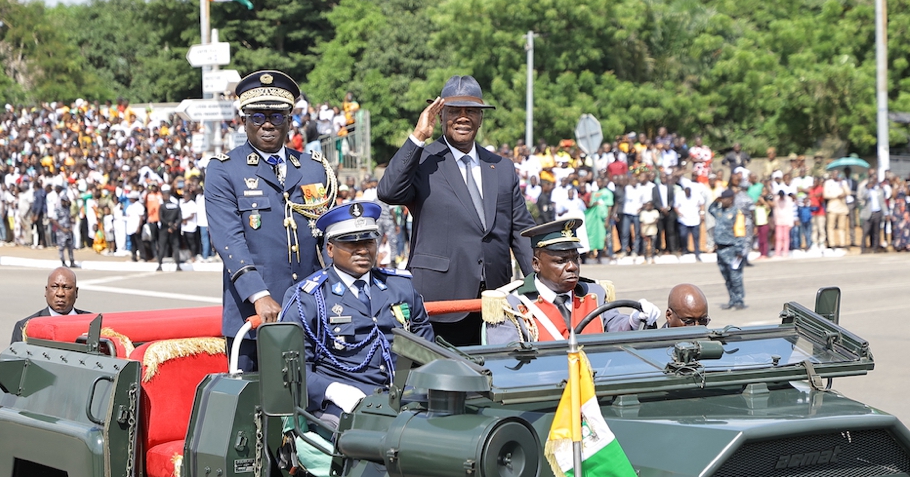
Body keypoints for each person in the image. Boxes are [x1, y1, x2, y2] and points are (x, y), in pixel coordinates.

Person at [377, 75, 534, 346]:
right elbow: (388, 191)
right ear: (440, 115)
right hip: (441, 302)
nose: (463, 117)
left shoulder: (502, 167)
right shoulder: (424, 160)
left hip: (495, 302)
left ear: (481, 117)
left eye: (471, 110)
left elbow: (520, 230)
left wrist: (537, 285)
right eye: (454, 111)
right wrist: (418, 137)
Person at [206, 70, 337, 371]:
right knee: (256, 407)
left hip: (312, 310)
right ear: (243, 121)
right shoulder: (224, 170)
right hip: (254, 315)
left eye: (277, 116)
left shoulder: (312, 168)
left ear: (290, 121)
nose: (267, 124)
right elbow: (229, 240)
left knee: (312, 402)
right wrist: (259, 295)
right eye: (257, 116)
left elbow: (327, 237)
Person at [280, 202, 432, 427]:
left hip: (405, 398)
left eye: (368, 241)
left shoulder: (400, 287)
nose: (363, 250)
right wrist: (333, 391)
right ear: (330, 249)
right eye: (351, 243)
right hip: (344, 406)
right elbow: (292, 371)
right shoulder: (308, 298)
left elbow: (427, 351)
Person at [482, 218, 661, 345]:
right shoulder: (511, 304)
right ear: (536, 264)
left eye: (575, 259)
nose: (572, 267)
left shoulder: (594, 292)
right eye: (561, 261)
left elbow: (613, 325)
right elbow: (507, 361)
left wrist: (634, 320)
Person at [10, 266, 89, 343]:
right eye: (54, 287)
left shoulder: (92, 323)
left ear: (76, 292)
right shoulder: (26, 327)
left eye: (66, 287)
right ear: (46, 291)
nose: (60, 293)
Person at [709, 189, 747, 310]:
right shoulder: (719, 211)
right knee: (726, 277)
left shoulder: (737, 213)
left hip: (732, 249)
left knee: (735, 276)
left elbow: (740, 232)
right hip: (720, 249)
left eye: (724, 198)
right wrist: (717, 199)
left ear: (731, 199)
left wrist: (739, 251)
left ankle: (739, 300)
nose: (722, 201)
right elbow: (710, 209)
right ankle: (732, 300)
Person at [156, 184, 183, 271]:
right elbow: (180, 218)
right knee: (176, 246)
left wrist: (168, 225)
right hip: (174, 229)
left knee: (162, 247)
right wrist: (174, 225)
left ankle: (160, 265)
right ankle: (178, 265)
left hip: (164, 229)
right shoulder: (176, 205)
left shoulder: (163, 206)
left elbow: (161, 218)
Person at [56, 193, 77, 269]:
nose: (65, 202)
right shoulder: (58, 209)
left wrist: (71, 225)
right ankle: (63, 262)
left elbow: (69, 217)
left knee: (70, 247)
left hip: (68, 231)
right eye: (64, 201)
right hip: (61, 231)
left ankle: (72, 261)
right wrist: (62, 228)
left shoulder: (67, 208)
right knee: (61, 248)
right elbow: (53, 220)